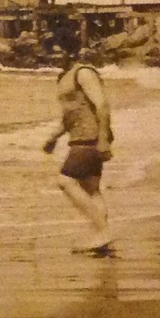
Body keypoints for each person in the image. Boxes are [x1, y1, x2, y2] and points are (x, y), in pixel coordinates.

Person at [42, 53, 114, 253]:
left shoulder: (83, 73)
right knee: (91, 189)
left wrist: (103, 138)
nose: (54, 57)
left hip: (89, 138)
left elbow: (102, 105)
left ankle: (103, 232)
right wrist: (54, 137)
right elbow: (70, 116)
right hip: (81, 137)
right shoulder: (67, 77)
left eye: (58, 52)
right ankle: (102, 237)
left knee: (65, 181)